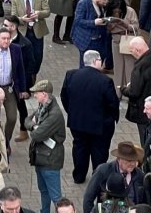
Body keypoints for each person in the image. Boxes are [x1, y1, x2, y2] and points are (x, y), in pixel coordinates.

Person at [61, 49, 120, 184]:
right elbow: (112, 104)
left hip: (78, 122)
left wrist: (72, 112)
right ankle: (97, 177)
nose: (101, 62)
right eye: (100, 60)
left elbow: (64, 96)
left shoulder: (71, 75)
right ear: (95, 61)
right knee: (99, 151)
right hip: (100, 125)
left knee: (79, 148)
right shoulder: (105, 81)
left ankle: (79, 176)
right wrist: (111, 119)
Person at [24, 79, 65, 213]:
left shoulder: (54, 114)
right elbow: (26, 120)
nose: (34, 95)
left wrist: (35, 128)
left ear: (44, 94)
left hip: (50, 161)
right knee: (43, 191)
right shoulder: (43, 107)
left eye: (36, 93)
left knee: (55, 196)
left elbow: (36, 135)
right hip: (40, 158)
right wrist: (34, 126)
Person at [83, 141, 146, 213]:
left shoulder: (139, 175)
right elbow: (88, 199)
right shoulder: (103, 171)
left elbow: (145, 202)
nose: (132, 164)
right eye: (129, 160)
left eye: (135, 160)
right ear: (119, 159)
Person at [71, 0, 113, 66]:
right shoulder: (83, 3)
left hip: (99, 40)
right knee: (85, 65)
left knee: (97, 64)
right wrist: (94, 22)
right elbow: (78, 21)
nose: (104, 5)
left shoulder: (100, 5)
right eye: (103, 3)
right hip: (86, 40)